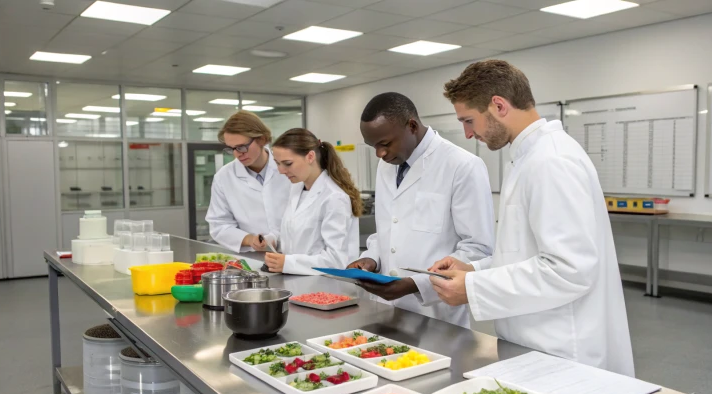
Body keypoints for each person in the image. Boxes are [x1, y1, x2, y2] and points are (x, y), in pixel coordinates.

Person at [428, 60, 635, 376]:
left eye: (469, 120)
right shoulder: (528, 158)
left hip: (562, 349)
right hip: (533, 341)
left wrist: (474, 287)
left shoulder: (551, 161)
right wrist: (473, 268)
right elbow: (526, 254)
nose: (468, 134)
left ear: (498, 105)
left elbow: (569, 269)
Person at [347, 92, 495, 327]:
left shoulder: (462, 165)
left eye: (384, 144)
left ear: (412, 126)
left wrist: (416, 284)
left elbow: (478, 249)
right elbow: (387, 231)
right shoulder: (387, 165)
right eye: (373, 147)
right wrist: (369, 259)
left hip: (437, 314)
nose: (380, 154)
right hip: (384, 310)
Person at [263, 128, 362, 275]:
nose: (281, 170)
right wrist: (273, 240)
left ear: (310, 157)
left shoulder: (334, 197)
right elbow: (297, 235)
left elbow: (336, 261)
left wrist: (288, 263)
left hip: (327, 286)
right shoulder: (297, 189)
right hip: (298, 281)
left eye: (288, 163)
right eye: (277, 163)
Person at [206, 111, 290, 253]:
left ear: (262, 139)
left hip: (296, 254)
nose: (238, 154)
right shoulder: (224, 177)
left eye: (241, 147)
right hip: (254, 258)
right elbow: (219, 225)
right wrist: (250, 239)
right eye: (232, 149)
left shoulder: (290, 167)